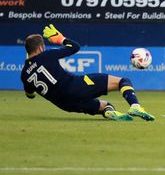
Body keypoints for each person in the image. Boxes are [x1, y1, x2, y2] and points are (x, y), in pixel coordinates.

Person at [22, 24, 154, 121]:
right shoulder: (47, 55)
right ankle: (135, 106)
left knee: (105, 106)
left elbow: (30, 95)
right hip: (76, 87)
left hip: (64, 104)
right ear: (40, 47)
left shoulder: (24, 74)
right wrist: (61, 39)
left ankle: (109, 112)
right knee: (122, 81)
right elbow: (75, 47)